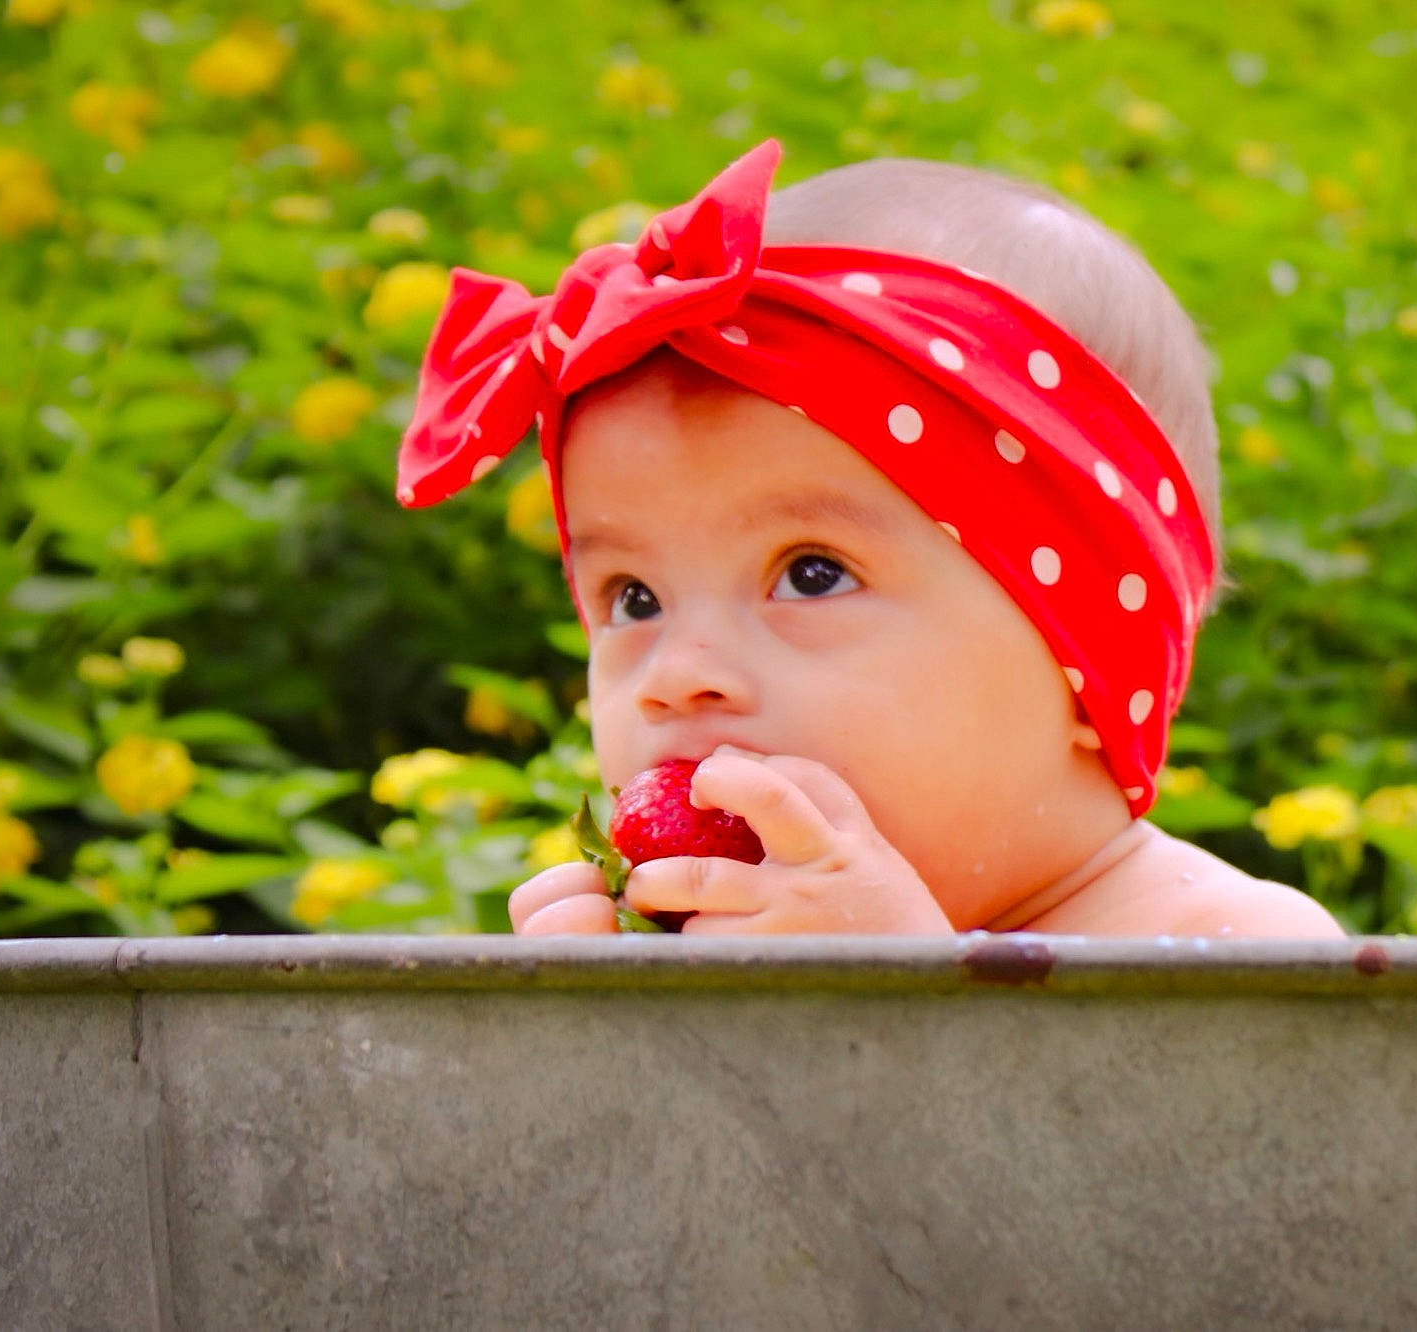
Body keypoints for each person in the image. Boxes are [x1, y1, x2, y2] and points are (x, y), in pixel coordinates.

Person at [397, 139, 1343, 939]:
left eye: (810, 575)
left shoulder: (1227, 946)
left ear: (1084, 664)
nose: (677, 673)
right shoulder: (712, 938)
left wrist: (901, 1010)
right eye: (632, 599)